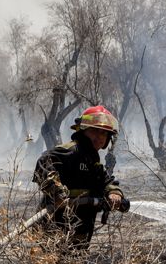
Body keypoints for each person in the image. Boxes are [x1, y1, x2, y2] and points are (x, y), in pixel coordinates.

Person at [32, 105, 125, 251]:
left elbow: (106, 181)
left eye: (104, 134)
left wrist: (114, 193)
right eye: (94, 131)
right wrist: (57, 193)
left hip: (80, 233)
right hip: (54, 230)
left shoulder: (94, 163)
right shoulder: (69, 152)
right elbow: (43, 164)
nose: (99, 137)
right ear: (82, 130)